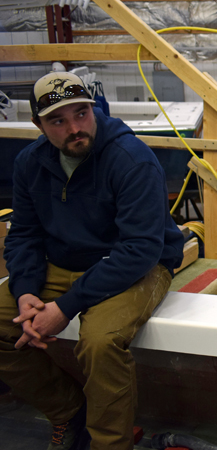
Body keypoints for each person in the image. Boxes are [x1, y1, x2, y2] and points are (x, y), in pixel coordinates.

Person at [0, 71, 185, 450]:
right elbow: (24, 234)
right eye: (58, 120)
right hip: (63, 262)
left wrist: (66, 307)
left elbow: (140, 248)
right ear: (39, 125)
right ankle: (67, 411)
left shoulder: (131, 160)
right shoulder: (30, 163)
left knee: (100, 343)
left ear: (95, 109)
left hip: (137, 266)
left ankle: (109, 445)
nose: (74, 128)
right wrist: (24, 290)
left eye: (81, 113)